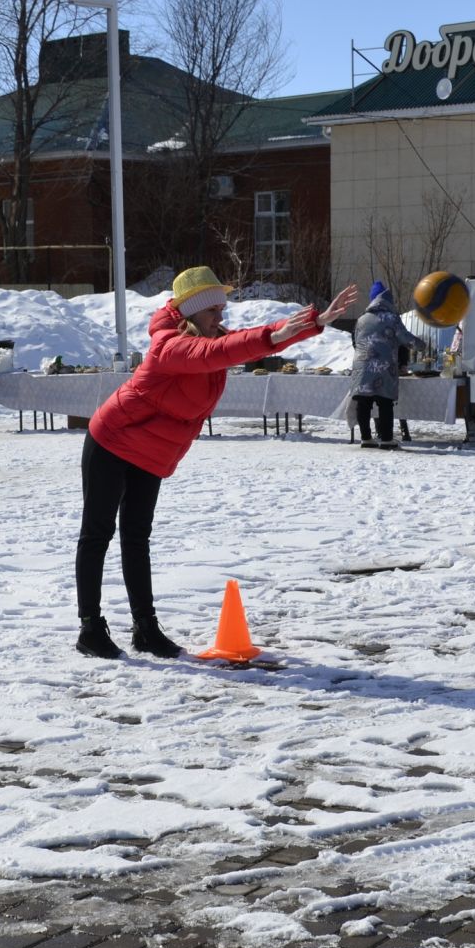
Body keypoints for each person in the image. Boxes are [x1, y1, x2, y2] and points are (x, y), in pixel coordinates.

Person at [74, 268, 357, 659]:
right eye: (213, 310)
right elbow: (220, 352)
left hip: (150, 451)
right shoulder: (169, 348)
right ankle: (90, 628)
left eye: (222, 309)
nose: (221, 318)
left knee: (136, 538)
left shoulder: (209, 338)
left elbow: (244, 345)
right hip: (112, 440)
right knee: (97, 534)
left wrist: (312, 324)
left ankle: (146, 629)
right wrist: (276, 333)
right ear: (192, 312)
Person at [347, 281, 426, 449]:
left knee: (364, 402)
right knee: (384, 402)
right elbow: (406, 339)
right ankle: (386, 439)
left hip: (362, 367)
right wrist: (422, 345)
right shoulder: (391, 318)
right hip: (383, 368)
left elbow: (355, 342)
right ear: (388, 300)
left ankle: (366, 438)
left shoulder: (361, 319)